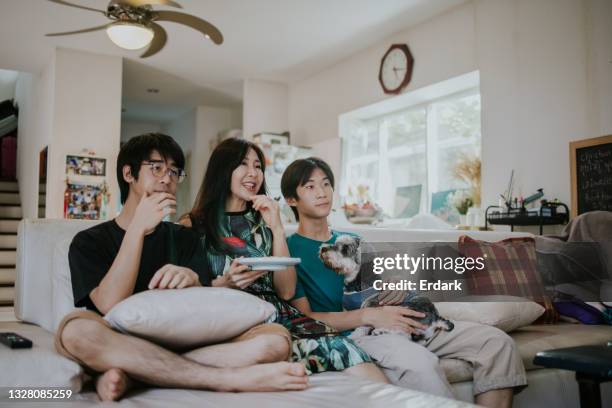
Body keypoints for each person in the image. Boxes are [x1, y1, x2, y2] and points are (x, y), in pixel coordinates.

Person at [55, 133, 308, 402]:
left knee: (276, 341)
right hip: (118, 339)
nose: (167, 178)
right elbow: (109, 303)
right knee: (76, 332)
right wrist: (138, 228)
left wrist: (192, 280)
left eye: (175, 171)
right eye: (157, 168)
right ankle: (225, 378)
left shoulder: (184, 236)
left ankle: (136, 373)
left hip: (181, 340)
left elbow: (204, 300)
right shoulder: (89, 240)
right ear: (128, 173)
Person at [281, 157, 527, 408]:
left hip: (407, 318)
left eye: (326, 184)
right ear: (291, 199)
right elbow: (307, 319)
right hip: (359, 333)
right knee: (421, 364)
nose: (322, 193)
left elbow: (382, 281)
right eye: (310, 187)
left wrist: (395, 283)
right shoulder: (290, 252)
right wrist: (369, 316)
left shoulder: (353, 239)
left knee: (496, 343)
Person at [179, 138, 388, 383]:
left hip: (281, 315)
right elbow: (185, 292)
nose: (253, 173)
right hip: (232, 316)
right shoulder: (193, 225)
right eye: (243, 164)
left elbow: (287, 291)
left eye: (258, 166)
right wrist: (224, 284)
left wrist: (276, 228)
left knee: (353, 355)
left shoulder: (265, 221)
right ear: (223, 170)